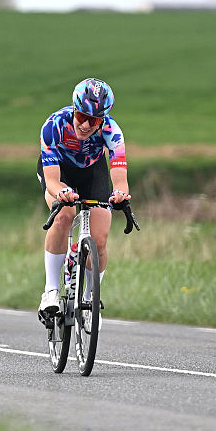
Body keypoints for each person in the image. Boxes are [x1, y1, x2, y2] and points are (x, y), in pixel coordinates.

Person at [37, 78, 131, 317]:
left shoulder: (112, 131)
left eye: (95, 120)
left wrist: (120, 193)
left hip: (92, 171)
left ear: (103, 119)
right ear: (74, 110)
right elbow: (52, 181)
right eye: (82, 117)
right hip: (60, 172)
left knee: (99, 240)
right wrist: (61, 193)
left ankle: (90, 298)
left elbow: (119, 174)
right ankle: (50, 290)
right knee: (64, 216)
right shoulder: (53, 125)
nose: (87, 125)